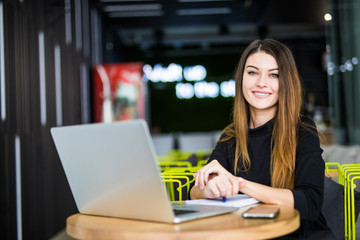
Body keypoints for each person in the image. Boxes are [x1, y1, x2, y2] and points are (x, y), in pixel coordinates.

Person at [189, 39, 335, 239]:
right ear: (241, 78)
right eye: (252, 72)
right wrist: (210, 190)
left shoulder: (302, 129)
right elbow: (195, 191)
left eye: (273, 74)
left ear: (286, 82)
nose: (261, 83)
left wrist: (240, 184)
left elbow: (310, 202)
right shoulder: (231, 136)